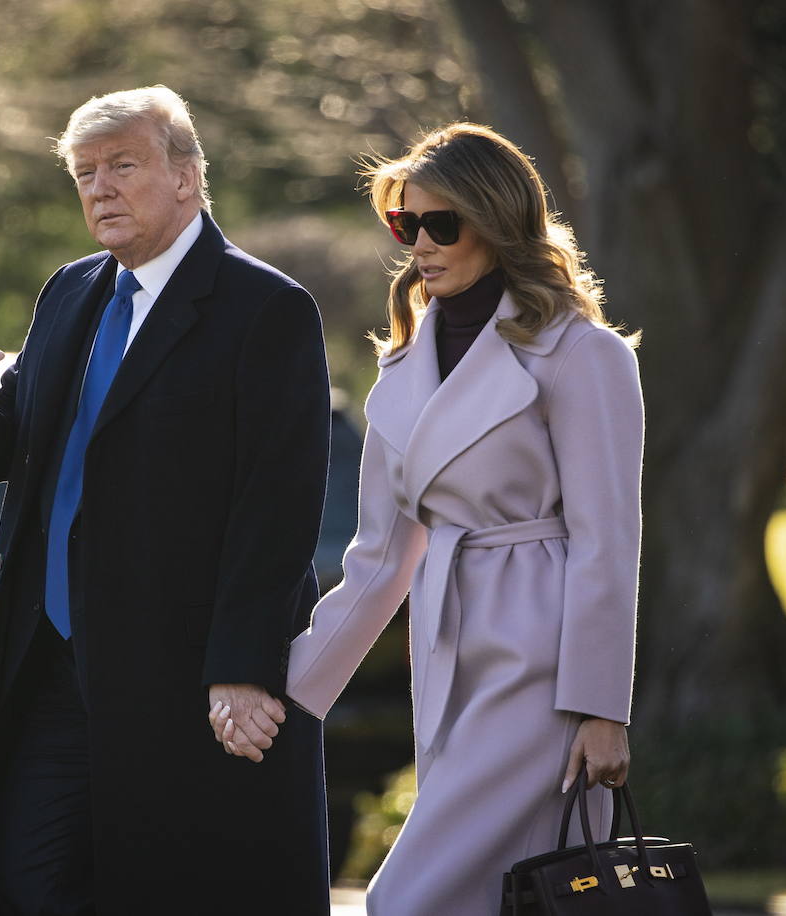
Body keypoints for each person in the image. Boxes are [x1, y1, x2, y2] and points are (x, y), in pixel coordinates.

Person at [0, 86, 331, 916]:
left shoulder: (266, 309)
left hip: (180, 678)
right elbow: (25, 442)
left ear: (187, 177)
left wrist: (243, 667)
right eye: (84, 172)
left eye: (123, 166)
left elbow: (276, 507)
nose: (99, 187)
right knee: (35, 886)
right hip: (50, 667)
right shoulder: (71, 291)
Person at [226, 122, 643, 914]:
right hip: (445, 656)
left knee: (408, 900)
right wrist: (284, 693)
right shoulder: (402, 364)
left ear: (495, 219)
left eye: (440, 223)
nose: (419, 242)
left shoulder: (583, 355)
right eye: (404, 223)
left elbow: (607, 545)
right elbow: (380, 560)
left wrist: (601, 711)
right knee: (494, 899)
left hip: (542, 665)